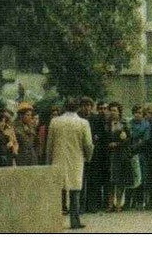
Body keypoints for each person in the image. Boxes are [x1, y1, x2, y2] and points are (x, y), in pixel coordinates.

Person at [48, 97, 95, 230]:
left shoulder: (55, 121)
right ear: (78, 107)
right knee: (75, 191)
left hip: (58, 159)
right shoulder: (83, 123)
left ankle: (55, 220)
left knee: (59, 189)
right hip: (76, 159)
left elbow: (49, 144)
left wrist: (48, 160)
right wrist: (88, 157)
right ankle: (75, 220)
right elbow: (88, 144)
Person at [105, 102, 134, 212]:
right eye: (111, 110)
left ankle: (118, 204)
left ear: (119, 112)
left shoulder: (124, 123)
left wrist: (117, 144)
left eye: (115, 110)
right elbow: (105, 137)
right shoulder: (107, 123)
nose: (112, 113)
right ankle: (110, 204)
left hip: (120, 155)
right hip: (109, 155)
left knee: (119, 180)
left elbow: (129, 139)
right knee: (110, 180)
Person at [126, 106, 150, 209]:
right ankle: (128, 202)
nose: (137, 115)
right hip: (128, 153)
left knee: (140, 178)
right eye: (135, 112)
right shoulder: (129, 124)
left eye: (140, 113)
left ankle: (140, 202)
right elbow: (126, 137)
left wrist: (134, 146)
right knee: (129, 177)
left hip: (140, 154)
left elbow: (145, 140)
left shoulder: (146, 124)